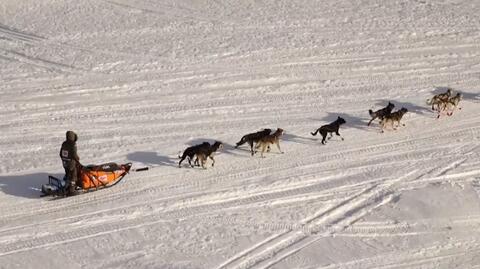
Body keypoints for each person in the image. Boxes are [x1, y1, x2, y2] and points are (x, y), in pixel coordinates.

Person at [59, 131, 80, 195]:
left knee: (68, 174)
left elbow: (60, 153)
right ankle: (72, 190)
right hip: (71, 163)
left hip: (64, 162)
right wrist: (77, 159)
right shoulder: (73, 144)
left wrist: (64, 159)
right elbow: (74, 154)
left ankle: (67, 186)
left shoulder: (64, 143)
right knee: (73, 176)